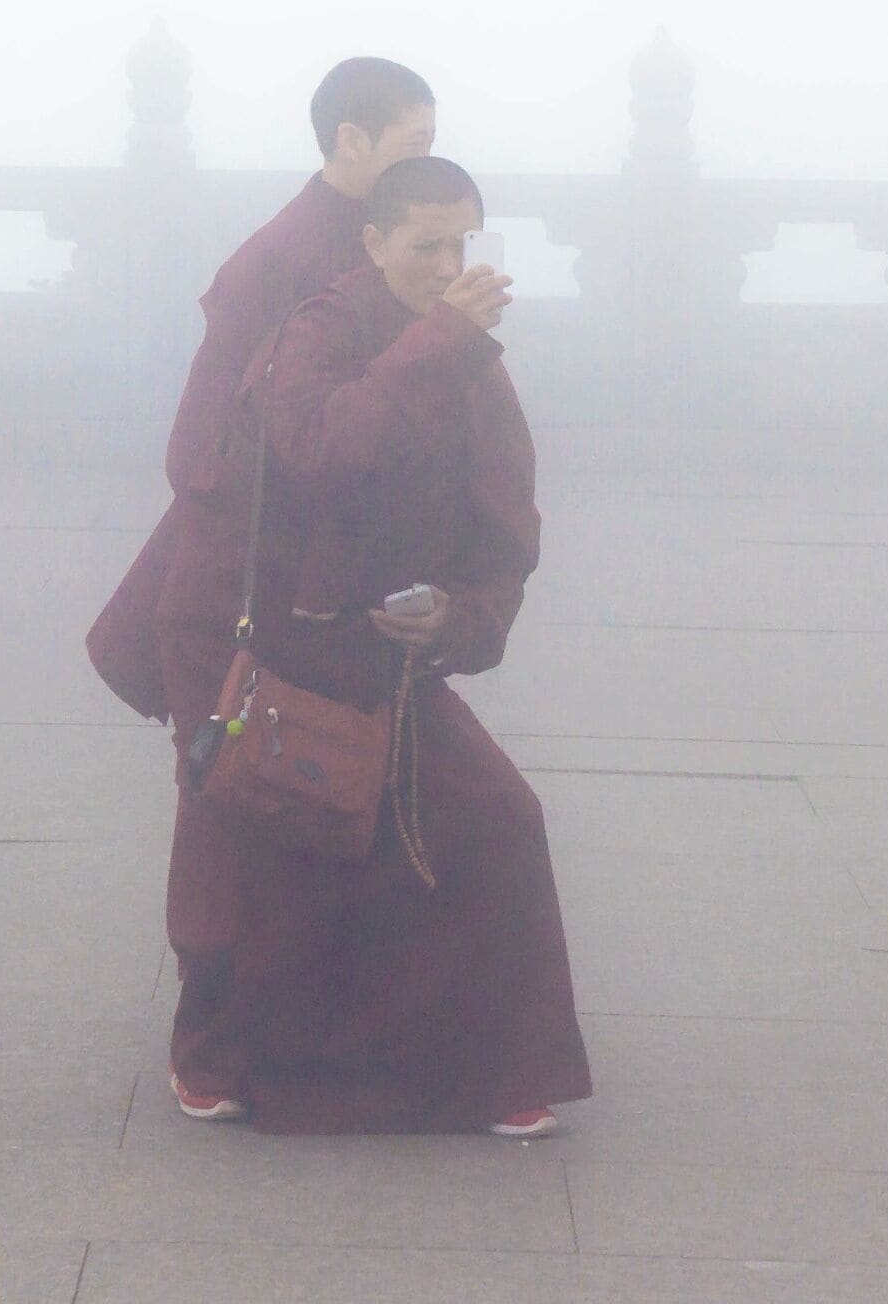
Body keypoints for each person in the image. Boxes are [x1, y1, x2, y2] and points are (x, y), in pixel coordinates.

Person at [143, 154, 590, 1133]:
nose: (447, 264)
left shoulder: (471, 359)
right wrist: (436, 342)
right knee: (266, 862)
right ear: (375, 242)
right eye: (426, 244)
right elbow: (315, 449)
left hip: (392, 658)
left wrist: (462, 616)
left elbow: (505, 524)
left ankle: (500, 1069)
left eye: (463, 243)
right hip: (290, 652)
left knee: (497, 821)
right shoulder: (322, 329)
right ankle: (216, 1057)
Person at [90, 56, 439, 720]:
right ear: (352, 140)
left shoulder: (380, 244)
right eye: (414, 145)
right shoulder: (283, 258)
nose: (426, 163)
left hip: (327, 578)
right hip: (248, 583)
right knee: (236, 789)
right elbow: (197, 445)